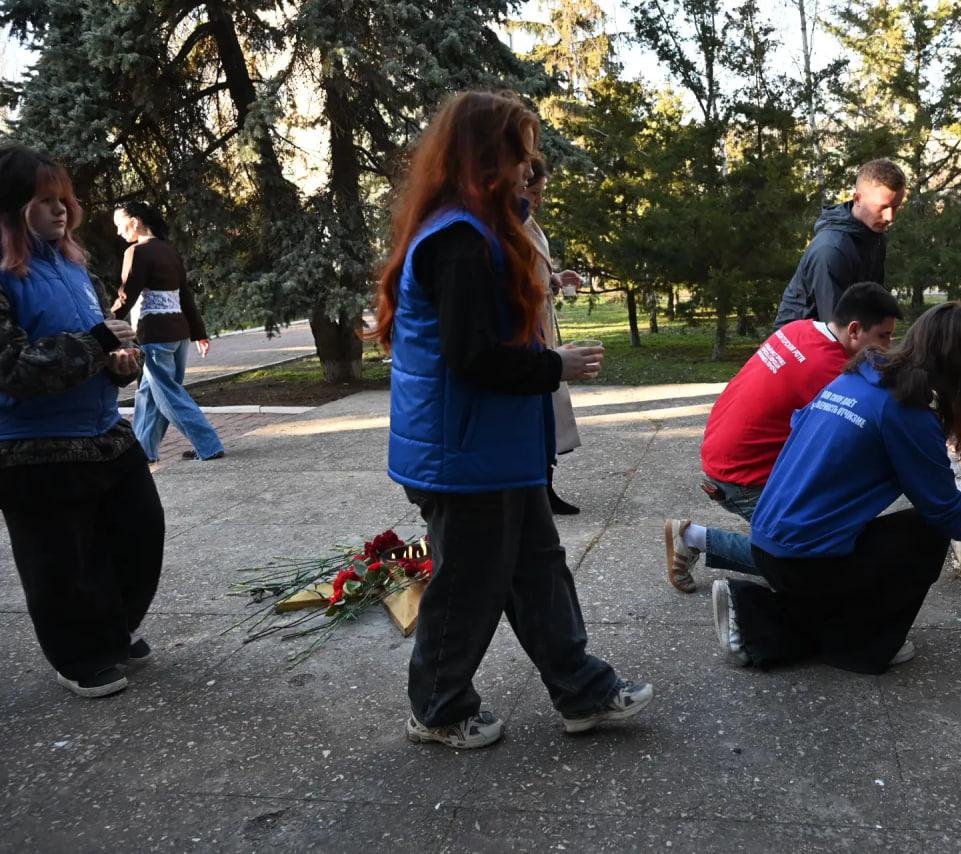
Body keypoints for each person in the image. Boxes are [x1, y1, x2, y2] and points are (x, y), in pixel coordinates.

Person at [368, 91, 654, 750]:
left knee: (537, 572)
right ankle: (437, 709)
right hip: (464, 457)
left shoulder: (480, 228)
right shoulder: (461, 241)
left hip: (491, 452)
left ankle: (582, 691)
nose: (531, 165)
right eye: (520, 151)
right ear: (485, 157)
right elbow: (471, 358)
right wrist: (555, 366)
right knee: (467, 590)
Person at [714, 302, 961, 672]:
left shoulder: (860, 377)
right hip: (801, 561)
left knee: (898, 536)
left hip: (770, 540)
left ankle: (749, 614)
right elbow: (950, 521)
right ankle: (860, 648)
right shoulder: (907, 413)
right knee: (925, 535)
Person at [0, 143, 165, 698]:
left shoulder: (73, 266)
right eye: (44, 200)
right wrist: (97, 344)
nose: (60, 211)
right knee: (61, 561)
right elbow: (12, 369)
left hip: (102, 433)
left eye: (64, 200)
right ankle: (80, 656)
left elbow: (103, 342)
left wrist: (122, 362)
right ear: (10, 205)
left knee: (140, 533)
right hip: (32, 447)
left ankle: (112, 629)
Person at [663, 282, 903, 592]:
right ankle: (691, 538)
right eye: (883, 336)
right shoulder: (832, 371)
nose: (888, 345)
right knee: (813, 560)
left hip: (722, 451)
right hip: (742, 477)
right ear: (855, 330)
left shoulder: (800, 329)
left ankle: (693, 538)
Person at [112, 201, 224, 462]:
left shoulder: (137, 252)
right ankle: (143, 451)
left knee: (168, 395)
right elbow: (185, 296)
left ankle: (209, 444)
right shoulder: (169, 251)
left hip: (155, 336)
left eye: (120, 225)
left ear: (135, 222)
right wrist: (199, 333)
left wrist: (104, 322)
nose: (118, 232)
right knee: (150, 394)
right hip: (179, 335)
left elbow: (126, 295)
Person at [774, 159, 906, 327]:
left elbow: (872, 301)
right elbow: (836, 328)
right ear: (858, 199)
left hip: (844, 334)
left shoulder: (874, 236)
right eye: (883, 207)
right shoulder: (831, 250)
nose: (890, 217)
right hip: (798, 345)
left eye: (896, 207)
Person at [523, 156, 585, 515]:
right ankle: (538, 490)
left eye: (540, 192)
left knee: (549, 411)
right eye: (533, 191)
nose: (537, 200)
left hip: (542, 328)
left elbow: (537, 274)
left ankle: (545, 486)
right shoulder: (509, 228)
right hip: (529, 333)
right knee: (539, 410)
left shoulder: (529, 223)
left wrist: (557, 279)